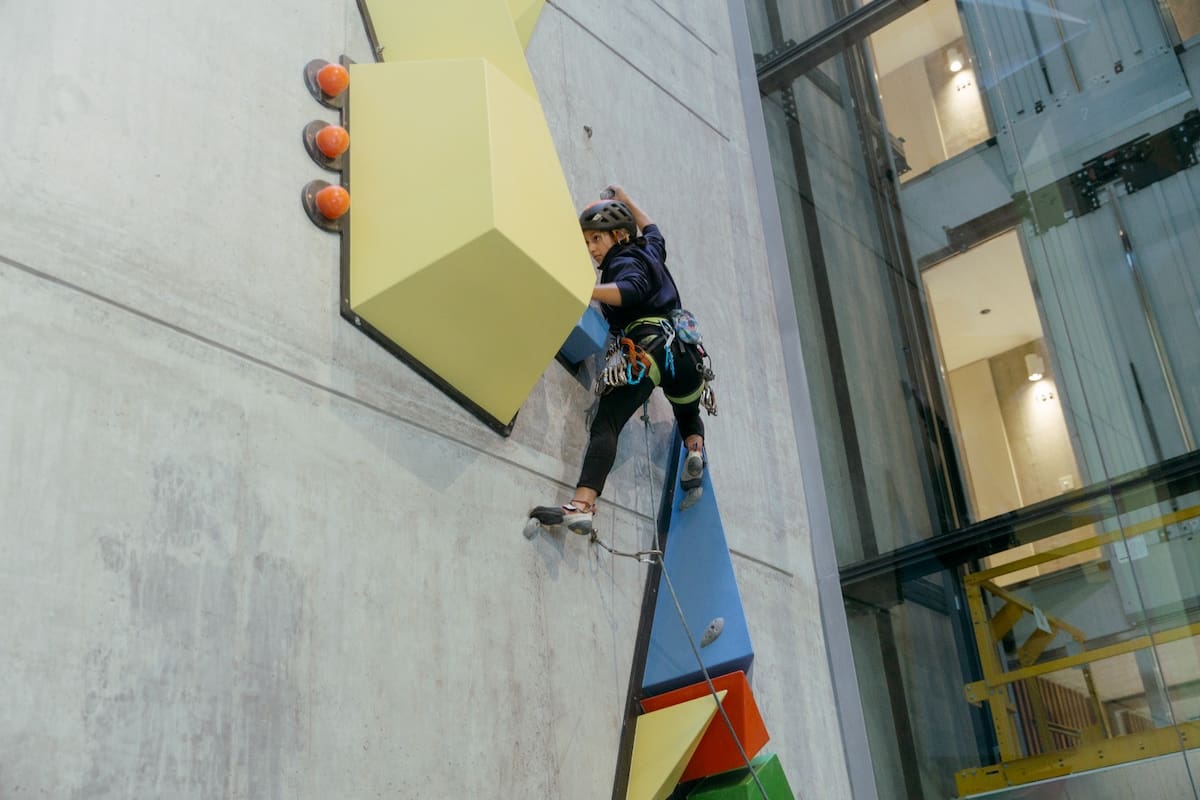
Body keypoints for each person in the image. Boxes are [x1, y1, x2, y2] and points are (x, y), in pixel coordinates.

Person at [558, 185, 713, 533]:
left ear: (618, 235)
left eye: (596, 240)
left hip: (650, 348)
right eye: (587, 244)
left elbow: (631, 290)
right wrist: (627, 200)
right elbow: (654, 229)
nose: (592, 250)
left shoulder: (623, 261)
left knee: (607, 423)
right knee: (688, 412)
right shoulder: (650, 250)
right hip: (689, 358)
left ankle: (582, 503)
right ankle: (695, 450)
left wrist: (586, 289)